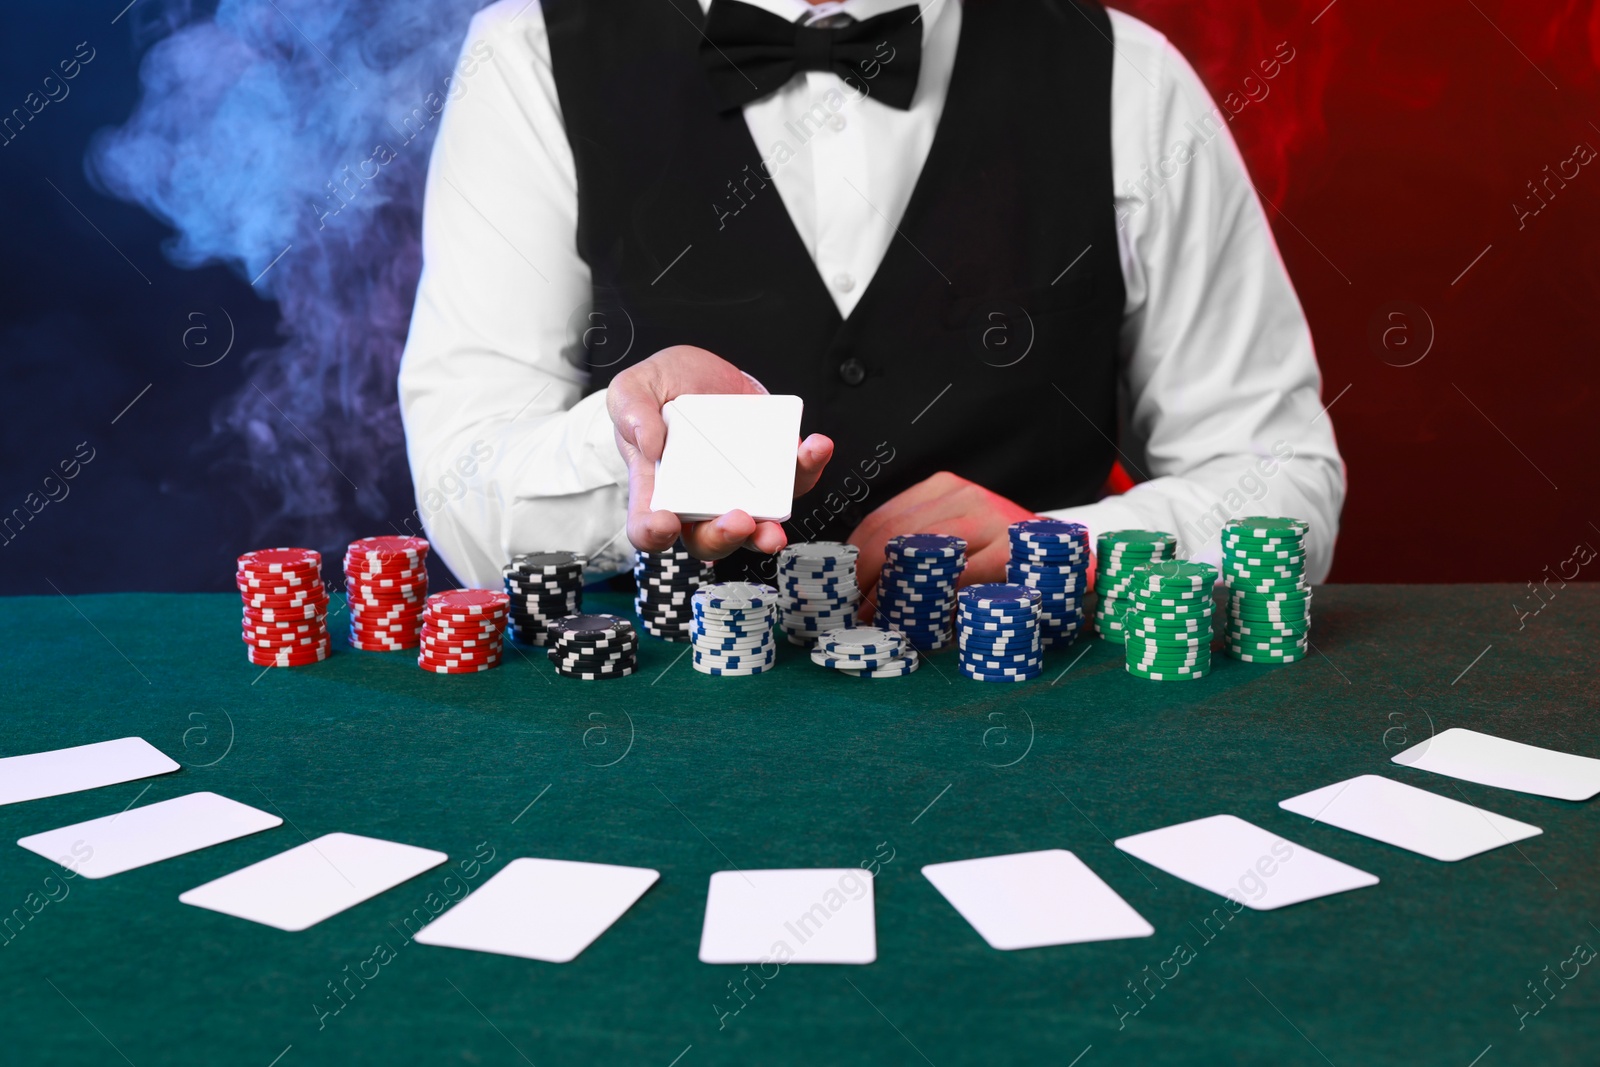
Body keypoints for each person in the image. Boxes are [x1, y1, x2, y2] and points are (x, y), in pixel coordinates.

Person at [398, 0, 1345, 604]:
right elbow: (461, 491)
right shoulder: (527, 56)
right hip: (652, 752)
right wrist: (636, 448)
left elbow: (1284, 481)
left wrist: (1067, 550)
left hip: (1046, 745)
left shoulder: (1126, 76)